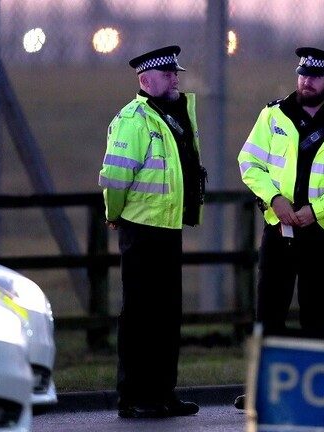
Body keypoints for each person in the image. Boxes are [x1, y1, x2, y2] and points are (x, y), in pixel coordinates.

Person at [233, 47, 324, 410]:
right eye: (303, 75)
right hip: (279, 230)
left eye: (315, 77)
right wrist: (274, 198)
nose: (306, 82)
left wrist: (316, 211)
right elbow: (249, 162)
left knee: (315, 315)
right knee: (269, 313)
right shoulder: (273, 115)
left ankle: (312, 392)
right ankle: (263, 389)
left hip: (322, 233)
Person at [98, 45, 205, 419]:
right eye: (168, 74)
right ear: (146, 80)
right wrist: (114, 215)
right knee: (140, 316)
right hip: (141, 230)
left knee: (166, 315)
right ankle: (133, 396)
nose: (176, 79)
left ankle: (162, 393)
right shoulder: (134, 120)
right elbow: (115, 177)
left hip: (167, 229)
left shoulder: (174, 116)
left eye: (176, 73)